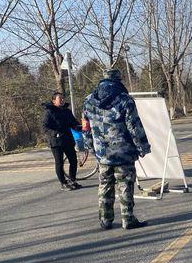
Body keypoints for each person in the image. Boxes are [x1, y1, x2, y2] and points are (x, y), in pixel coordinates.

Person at [83, 68, 151, 230]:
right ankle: (128, 219)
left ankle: (105, 219)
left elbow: (86, 127)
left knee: (104, 185)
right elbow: (134, 127)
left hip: (102, 153)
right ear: (118, 80)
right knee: (125, 184)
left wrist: (90, 147)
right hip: (123, 152)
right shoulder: (125, 100)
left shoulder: (89, 101)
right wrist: (142, 147)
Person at [42, 92, 82, 190]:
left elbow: (74, 123)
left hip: (68, 139)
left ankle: (73, 180)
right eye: (60, 98)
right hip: (56, 141)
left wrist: (80, 127)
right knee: (59, 163)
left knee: (73, 160)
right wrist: (54, 133)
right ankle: (63, 183)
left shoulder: (67, 111)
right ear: (54, 101)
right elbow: (44, 127)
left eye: (63, 98)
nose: (62, 100)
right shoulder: (49, 112)